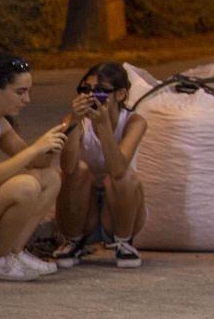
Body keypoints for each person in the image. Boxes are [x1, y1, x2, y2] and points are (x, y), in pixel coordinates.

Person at [0, 53, 66, 281]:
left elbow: (36, 162)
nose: (27, 99)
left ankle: (13, 252)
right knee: (25, 186)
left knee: (50, 178)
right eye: (20, 92)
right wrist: (35, 148)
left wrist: (57, 138)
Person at [51, 62, 147, 268]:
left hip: (120, 209)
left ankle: (124, 242)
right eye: (86, 90)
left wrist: (103, 126)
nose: (92, 97)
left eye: (101, 92)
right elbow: (67, 168)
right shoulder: (74, 121)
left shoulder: (134, 122)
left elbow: (118, 169)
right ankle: (74, 241)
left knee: (125, 177)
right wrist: (74, 121)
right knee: (79, 170)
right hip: (83, 208)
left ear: (120, 94)